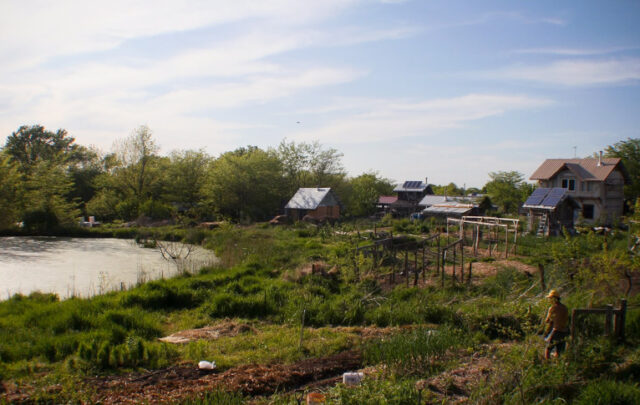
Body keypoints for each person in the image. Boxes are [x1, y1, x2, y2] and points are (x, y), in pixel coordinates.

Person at [544, 289, 569, 359]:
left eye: (550, 298)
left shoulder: (552, 308)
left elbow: (548, 321)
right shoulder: (565, 308)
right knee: (560, 353)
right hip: (564, 332)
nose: (549, 300)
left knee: (548, 349)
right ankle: (559, 367)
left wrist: (546, 332)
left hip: (556, 331)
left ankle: (546, 364)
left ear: (554, 299)